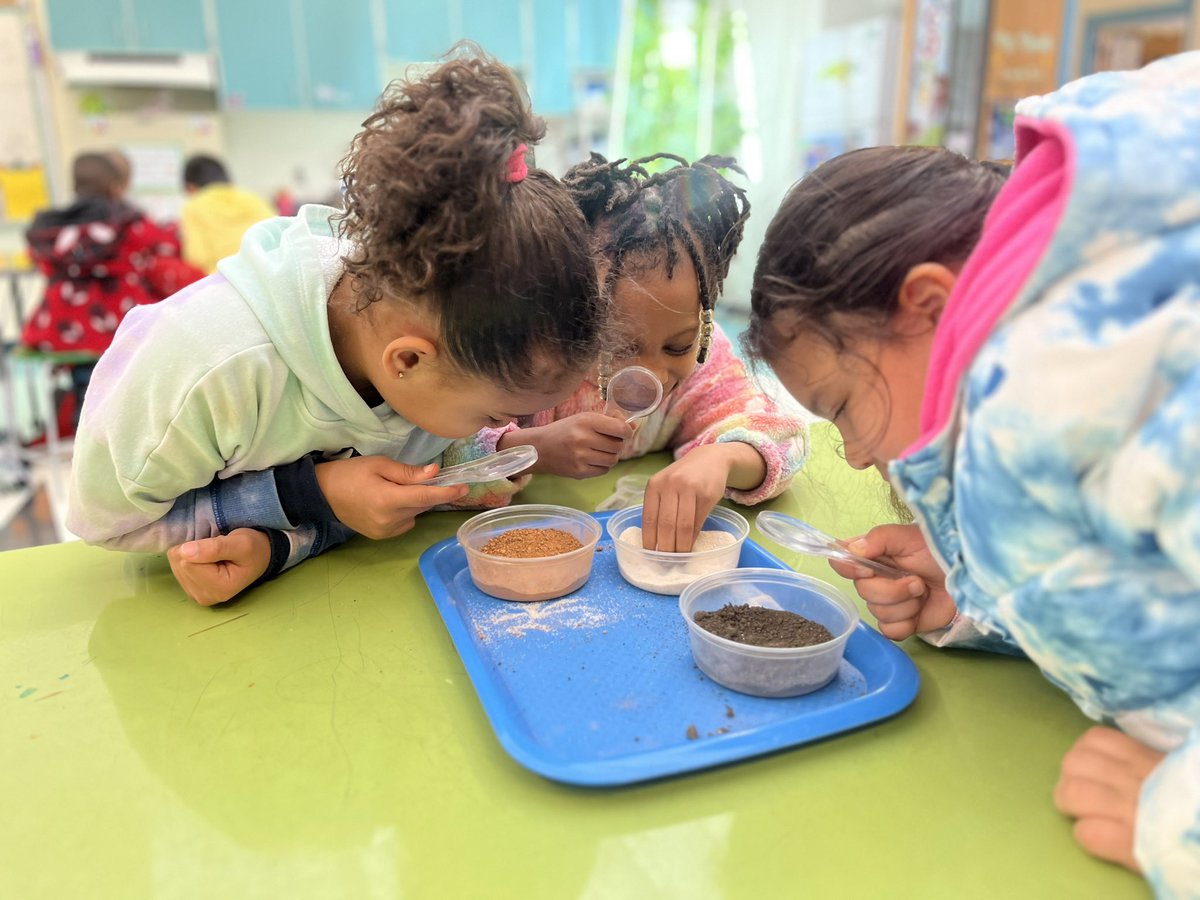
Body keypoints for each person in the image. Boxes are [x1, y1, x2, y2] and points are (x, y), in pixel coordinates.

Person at [745, 53, 1200, 895]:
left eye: (841, 405)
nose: (855, 455)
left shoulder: (1108, 376)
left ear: (925, 303)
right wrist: (980, 592)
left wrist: (1174, 819)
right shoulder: (1056, 371)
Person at [67, 47, 606, 607]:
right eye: (495, 414)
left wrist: (284, 542)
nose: (502, 423)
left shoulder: (418, 349)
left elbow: (395, 470)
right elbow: (110, 521)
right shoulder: (209, 369)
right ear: (409, 361)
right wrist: (313, 495)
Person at [442, 153, 807, 552]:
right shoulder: (534, 364)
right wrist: (531, 450)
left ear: (703, 322)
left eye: (677, 346)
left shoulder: (705, 363)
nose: (653, 374)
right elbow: (438, 460)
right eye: (618, 346)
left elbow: (784, 438)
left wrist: (724, 460)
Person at [21, 152, 204, 429]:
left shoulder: (52, 228)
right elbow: (157, 250)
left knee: (86, 371)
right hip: (119, 320)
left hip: (60, 326)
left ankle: (84, 411)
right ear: (117, 186)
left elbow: (42, 264)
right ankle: (125, 422)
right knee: (131, 364)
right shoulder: (128, 222)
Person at [179, 153, 276, 274]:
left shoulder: (193, 207)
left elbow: (197, 257)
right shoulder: (252, 197)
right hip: (268, 274)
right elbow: (278, 233)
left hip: (225, 281)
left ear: (191, 187)